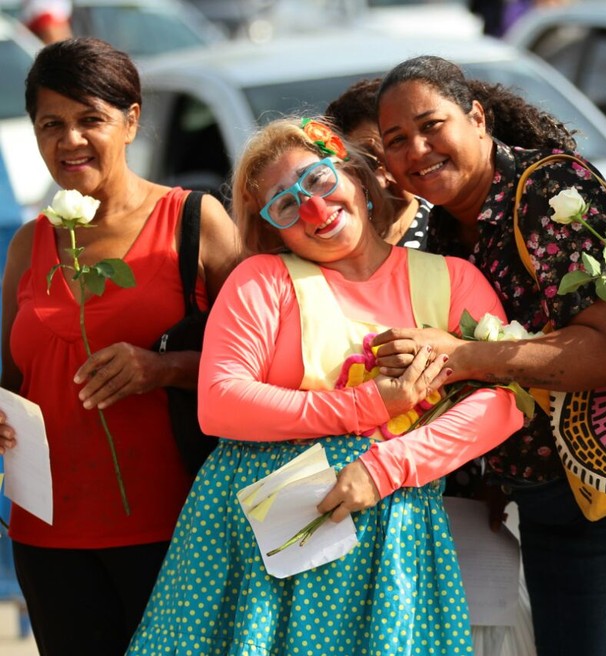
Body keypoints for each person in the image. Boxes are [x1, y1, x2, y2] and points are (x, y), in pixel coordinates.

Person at [124, 116, 525, 655]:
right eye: (286, 205)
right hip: (258, 545)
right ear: (273, 230)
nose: (314, 209)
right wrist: (368, 405)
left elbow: (505, 401)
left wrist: (384, 467)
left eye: (317, 180)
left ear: (356, 176)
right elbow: (219, 402)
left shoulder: (451, 280)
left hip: (394, 538)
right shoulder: (262, 280)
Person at [373, 55, 606, 656]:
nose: (418, 149)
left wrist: (462, 357)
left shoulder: (549, 190)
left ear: (477, 118)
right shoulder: (441, 233)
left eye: (432, 125)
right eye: (397, 140)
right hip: (549, 500)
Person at [0, 37, 240, 656]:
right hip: (47, 539)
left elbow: (269, 361)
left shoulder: (195, 220)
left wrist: (163, 368)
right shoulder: (29, 243)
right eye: (51, 124)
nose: (69, 140)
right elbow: (10, 376)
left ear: (131, 120)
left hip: (179, 531)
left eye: (90, 120)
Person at [325, 77, 431, 249]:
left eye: (396, 144)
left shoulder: (451, 234)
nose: (383, 178)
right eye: (367, 162)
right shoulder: (324, 255)